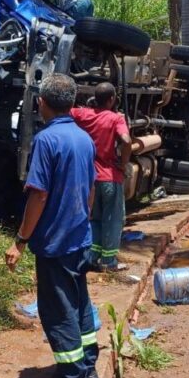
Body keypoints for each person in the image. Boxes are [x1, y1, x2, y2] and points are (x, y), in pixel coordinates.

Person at [5, 74, 99, 378]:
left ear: (42, 103)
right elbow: (90, 190)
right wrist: (84, 221)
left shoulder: (47, 141)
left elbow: (39, 195)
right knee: (80, 303)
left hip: (55, 243)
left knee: (58, 310)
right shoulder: (84, 139)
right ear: (72, 103)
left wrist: (20, 240)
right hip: (80, 238)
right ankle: (88, 367)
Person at [70, 82, 132, 271]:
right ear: (112, 99)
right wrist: (123, 163)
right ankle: (109, 261)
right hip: (110, 178)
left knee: (94, 219)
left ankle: (92, 256)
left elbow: (66, 110)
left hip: (89, 179)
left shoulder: (83, 114)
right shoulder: (115, 118)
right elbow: (127, 140)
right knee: (112, 219)